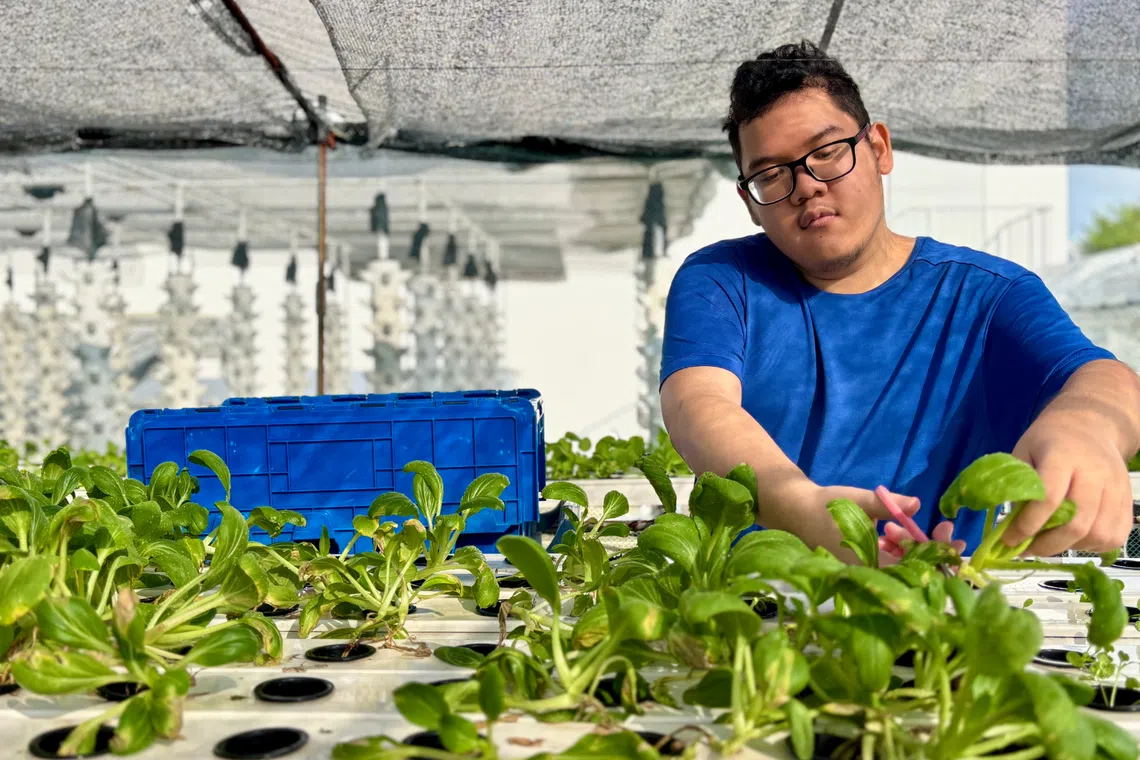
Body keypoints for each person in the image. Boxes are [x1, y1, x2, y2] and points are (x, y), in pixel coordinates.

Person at [660, 41, 1140, 564]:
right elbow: (697, 402)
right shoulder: (722, 280)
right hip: (755, 605)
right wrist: (802, 507)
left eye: (826, 153)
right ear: (750, 202)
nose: (805, 187)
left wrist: (1086, 426)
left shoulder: (985, 295)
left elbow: (1103, 378)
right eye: (770, 175)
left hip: (939, 603)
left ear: (879, 149)